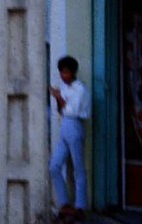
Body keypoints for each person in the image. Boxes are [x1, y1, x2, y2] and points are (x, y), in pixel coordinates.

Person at [49, 55, 90, 220]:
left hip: (75, 125)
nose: (63, 75)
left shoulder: (80, 89)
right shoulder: (64, 88)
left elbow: (72, 110)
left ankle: (80, 206)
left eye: (65, 72)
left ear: (72, 72)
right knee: (54, 166)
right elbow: (61, 110)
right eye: (61, 72)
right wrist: (58, 97)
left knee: (78, 168)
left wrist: (59, 97)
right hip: (65, 126)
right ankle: (64, 203)